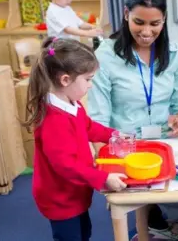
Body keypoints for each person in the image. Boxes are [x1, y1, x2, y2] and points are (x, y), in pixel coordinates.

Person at [87, 0, 178, 236]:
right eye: (139, 22)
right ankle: (150, 215)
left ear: (164, 20)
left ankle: (159, 211)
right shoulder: (106, 55)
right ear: (126, 15)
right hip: (124, 145)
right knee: (144, 198)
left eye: (154, 24)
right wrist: (106, 164)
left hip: (162, 141)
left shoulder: (175, 54)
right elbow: (98, 115)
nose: (146, 31)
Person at [23, 37, 127, 241]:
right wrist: (102, 178)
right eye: (88, 79)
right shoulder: (54, 121)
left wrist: (112, 135)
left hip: (75, 191)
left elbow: (88, 127)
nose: (91, 85)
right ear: (65, 80)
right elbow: (66, 165)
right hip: (60, 198)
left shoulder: (72, 104)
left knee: (84, 233)